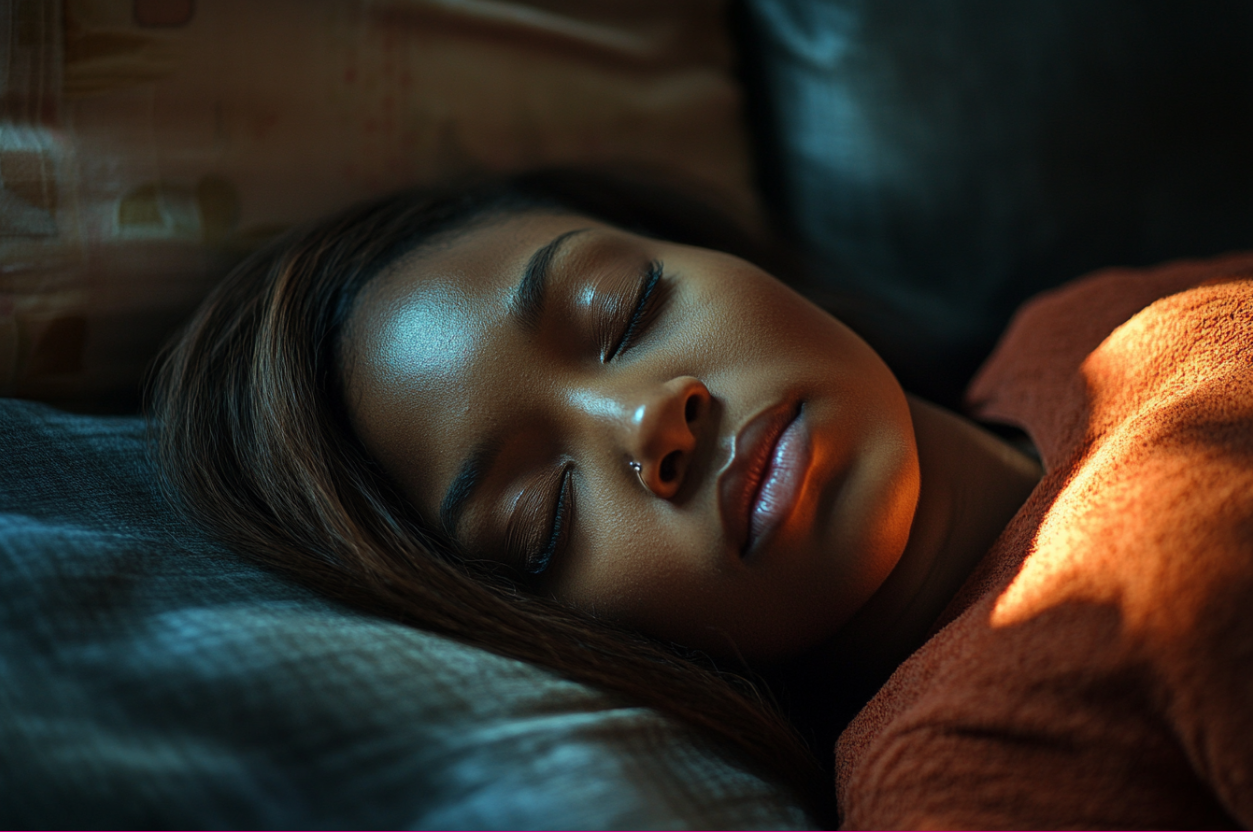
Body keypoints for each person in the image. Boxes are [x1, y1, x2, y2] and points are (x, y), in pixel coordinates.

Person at [152, 170, 1253, 827]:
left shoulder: (1078, 325)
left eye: (620, 309)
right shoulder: (965, 765)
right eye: (543, 511)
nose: (648, 422)